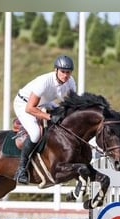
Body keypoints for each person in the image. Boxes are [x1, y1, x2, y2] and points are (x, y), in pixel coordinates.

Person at [13, 55, 77, 184]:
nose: (65, 75)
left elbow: (72, 104)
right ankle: (22, 169)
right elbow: (30, 108)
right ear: (56, 70)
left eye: (68, 72)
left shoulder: (70, 82)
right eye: (63, 72)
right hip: (24, 104)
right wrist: (50, 117)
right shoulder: (44, 81)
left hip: (44, 104)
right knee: (36, 133)